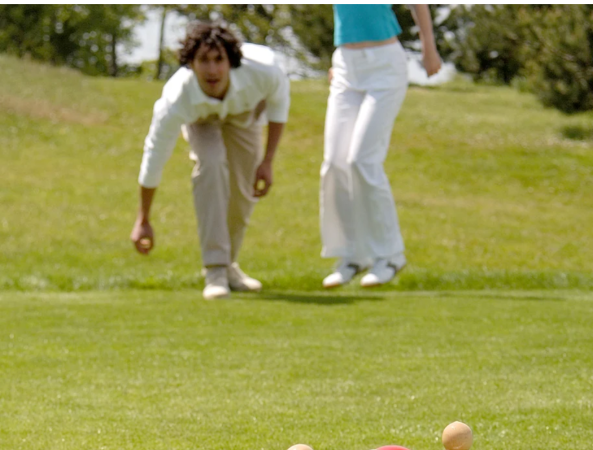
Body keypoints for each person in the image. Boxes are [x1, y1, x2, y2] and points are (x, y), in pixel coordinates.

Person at [130, 22, 290, 300]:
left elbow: (278, 106)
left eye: (219, 60)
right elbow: (154, 154)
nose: (212, 70)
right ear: (190, 64)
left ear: (231, 62)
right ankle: (215, 269)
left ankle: (229, 265)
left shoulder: (264, 71)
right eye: (203, 60)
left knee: (243, 190)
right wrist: (143, 218)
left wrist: (267, 161)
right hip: (199, 119)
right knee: (212, 164)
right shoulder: (176, 97)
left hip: (244, 113)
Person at [320, 5, 441, 288]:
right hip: (345, 66)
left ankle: (389, 255)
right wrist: (339, 61)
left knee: (362, 160)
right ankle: (352, 256)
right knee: (335, 162)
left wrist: (429, 49)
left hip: (385, 65)